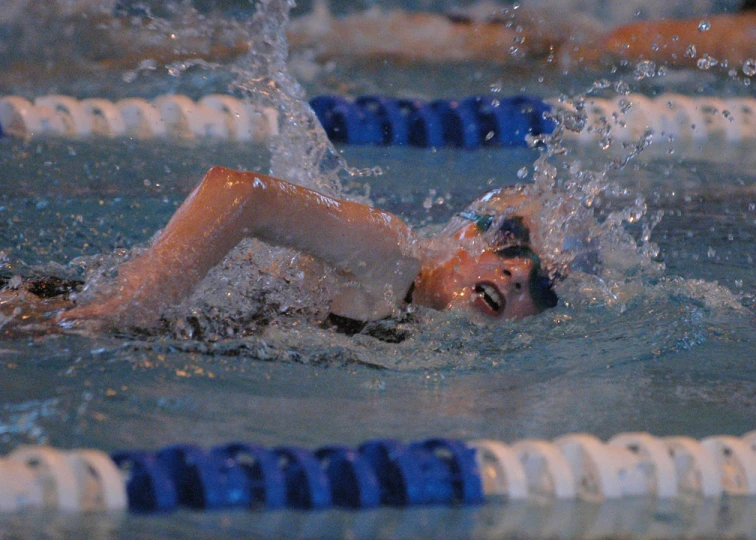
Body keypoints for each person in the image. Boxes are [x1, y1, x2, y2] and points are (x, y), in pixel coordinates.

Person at [58, 166, 558, 329]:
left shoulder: (409, 318)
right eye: (516, 264)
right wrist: (137, 299)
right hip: (85, 313)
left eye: (532, 290)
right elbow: (241, 193)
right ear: (472, 246)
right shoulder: (392, 254)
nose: (518, 278)